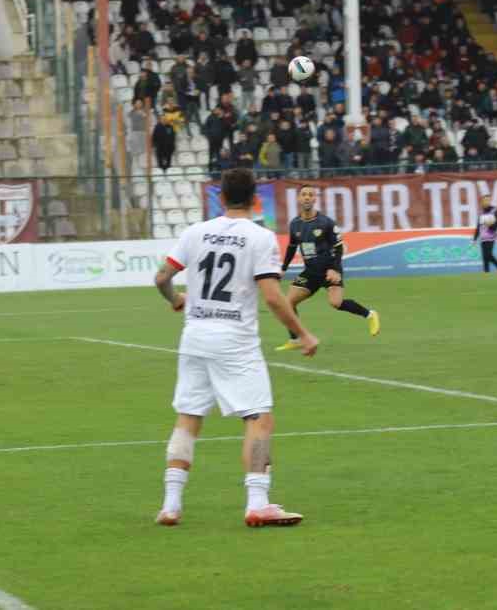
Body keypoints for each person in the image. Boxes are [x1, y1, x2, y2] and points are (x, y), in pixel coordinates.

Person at [151, 168, 318, 528]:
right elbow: (272, 296)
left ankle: (170, 505)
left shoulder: (195, 232)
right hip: (234, 340)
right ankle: (258, 502)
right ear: (255, 199)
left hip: (195, 335)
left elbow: (162, 277)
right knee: (258, 417)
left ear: (221, 198)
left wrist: (176, 299)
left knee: (189, 416)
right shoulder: (260, 237)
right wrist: (302, 333)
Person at [275, 184, 379, 348]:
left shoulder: (326, 222)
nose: (307, 197)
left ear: (315, 199)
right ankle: (296, 340)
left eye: (311, 195)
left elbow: (338, 247)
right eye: (304, 194)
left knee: (336, 303)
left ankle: (370, 314)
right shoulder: (295, 223)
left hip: (329, 270)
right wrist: (283, 268)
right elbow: (292, 247)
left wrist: (334, 269)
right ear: (299, 198)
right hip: (310, 272)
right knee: (288, 303)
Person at [473, 199, 497, 272]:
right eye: (485, 201)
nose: (486, 202)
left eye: (488, 200)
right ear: (482, 202)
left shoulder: (494, 211)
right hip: (483, 237)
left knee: (488, 254)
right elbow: (478, 226)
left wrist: (490, 226)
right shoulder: (481, 213)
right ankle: (486, 273)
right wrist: (475, 238)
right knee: (485, 257)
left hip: (491, 236)